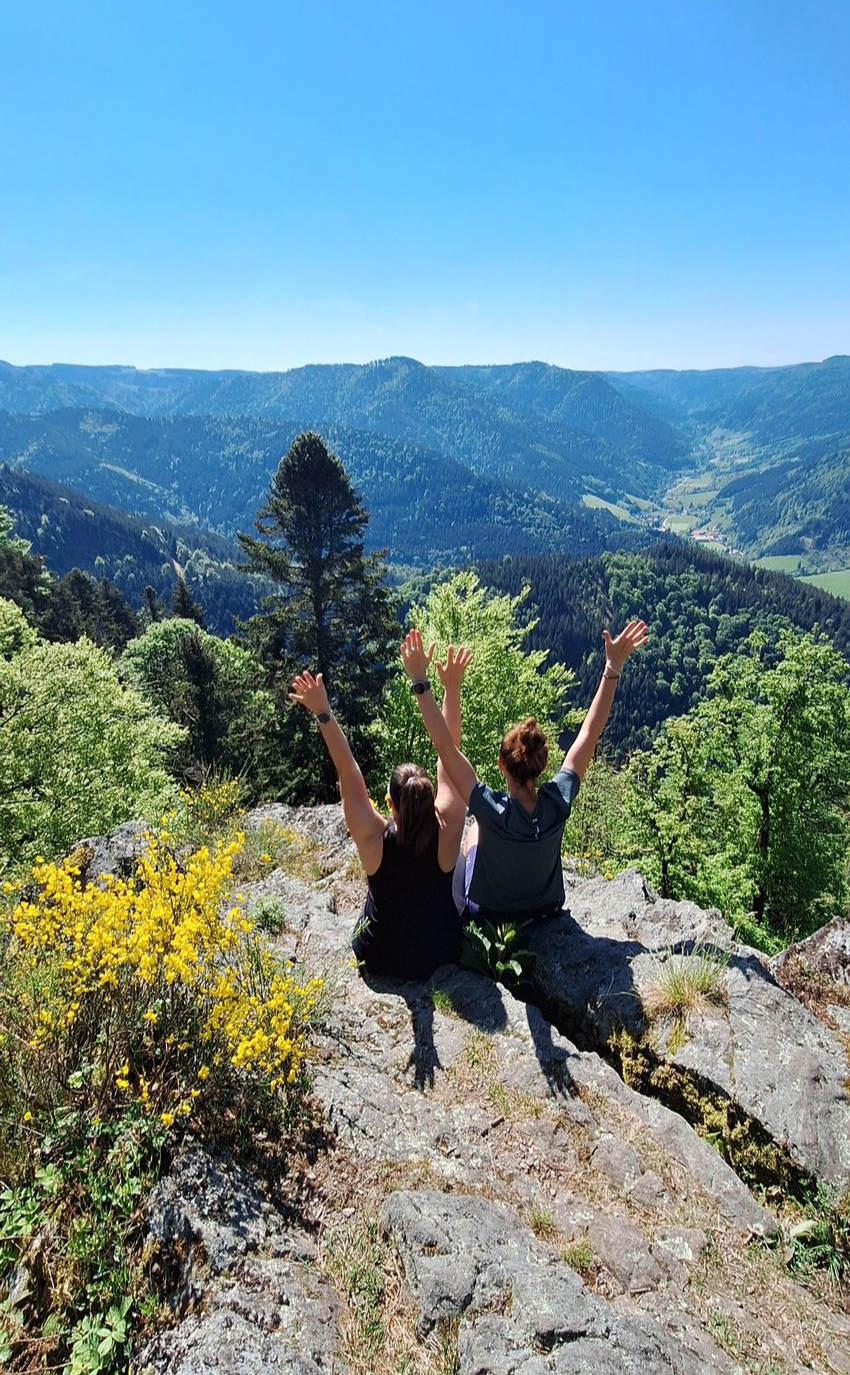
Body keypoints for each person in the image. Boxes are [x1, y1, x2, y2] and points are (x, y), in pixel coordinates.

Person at [400, 621, 649, 923]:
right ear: (542, 765)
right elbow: (589, 733)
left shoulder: (491, 809)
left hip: (491, 915)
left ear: (501, 764)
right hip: (547, 909)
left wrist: (420, 681)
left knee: (475, 831)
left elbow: (445, 747)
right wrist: (612, 667)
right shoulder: (559, 801)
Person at [288, 645, 473, 978]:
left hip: (380, 956)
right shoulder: (449, 826)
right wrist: (451, 688)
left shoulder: (373, 838)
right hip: (438, 953)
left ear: (390, 804)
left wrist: (322, 710)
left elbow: (346, 767)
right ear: (430, 800)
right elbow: (450, 754)